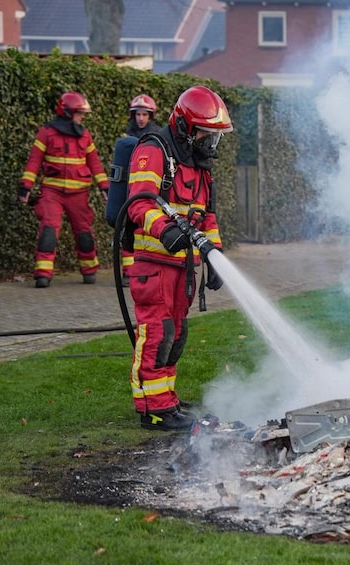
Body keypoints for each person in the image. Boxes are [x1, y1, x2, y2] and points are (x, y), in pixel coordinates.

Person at [125, 85, 231, 430]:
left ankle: (167, 400)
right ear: (185, 126)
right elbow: (139, 203)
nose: (210, 142)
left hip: (183, 269)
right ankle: (153, 410)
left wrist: (215, 256)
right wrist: (164, 230)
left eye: (214, 136)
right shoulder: (154, 150)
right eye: (205, 134)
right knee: (158, 333)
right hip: (153, 267)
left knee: (176, 335)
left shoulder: (200, 165)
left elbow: (207, 217)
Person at [19, 91, 110, 288]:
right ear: (68, 112)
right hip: (52, 192)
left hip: (79, 194)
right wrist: (26, 186)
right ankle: (43, 274)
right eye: (79, 113)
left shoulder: (84, 135)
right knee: (49, 230)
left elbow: (95, 163)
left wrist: (105, 187)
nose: (82, 117)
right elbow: (34, 161)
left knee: (84, 232)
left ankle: (89, 270)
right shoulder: (46, 133)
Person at [119, 94, 160, 285]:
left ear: (150, 116)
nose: (141, 118)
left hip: (149, 190)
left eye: (144, 114)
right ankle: (128, 272)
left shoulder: (158, 136)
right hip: (129, 188)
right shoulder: (126, 136)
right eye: (138, 114)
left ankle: (147, 271)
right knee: (128, 229)